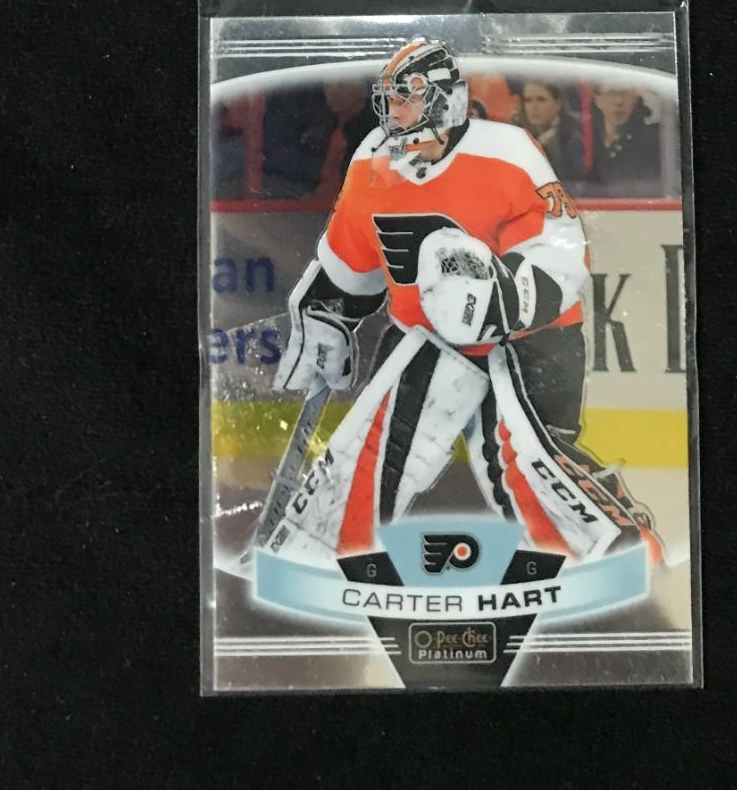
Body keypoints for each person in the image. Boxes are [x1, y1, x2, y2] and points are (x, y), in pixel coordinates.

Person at [265, 40, 661, 567]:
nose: (393, 111)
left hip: (527, 342)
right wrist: (327, 314)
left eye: (407, 97)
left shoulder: (507, 152)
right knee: (376, 445)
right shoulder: (371, 163)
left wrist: (501, 300)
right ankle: (323, 553)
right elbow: (351, 258)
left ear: (444, 100)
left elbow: (559, 250)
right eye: (389, 98)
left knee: (524, 462)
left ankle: (613, 549)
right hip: (424, 338)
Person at [589, 86, 663, 197]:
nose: (619, 102)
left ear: (635, 98)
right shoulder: (584, 139)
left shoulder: (651, 141)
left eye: (625, 93)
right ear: (597, 100)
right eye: (611, 93)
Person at [512, 79, 584, 182]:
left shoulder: (572, 140)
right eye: (528, 100)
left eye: (541, 100)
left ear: (558, 104)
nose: (533, 107)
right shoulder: (519, 136)